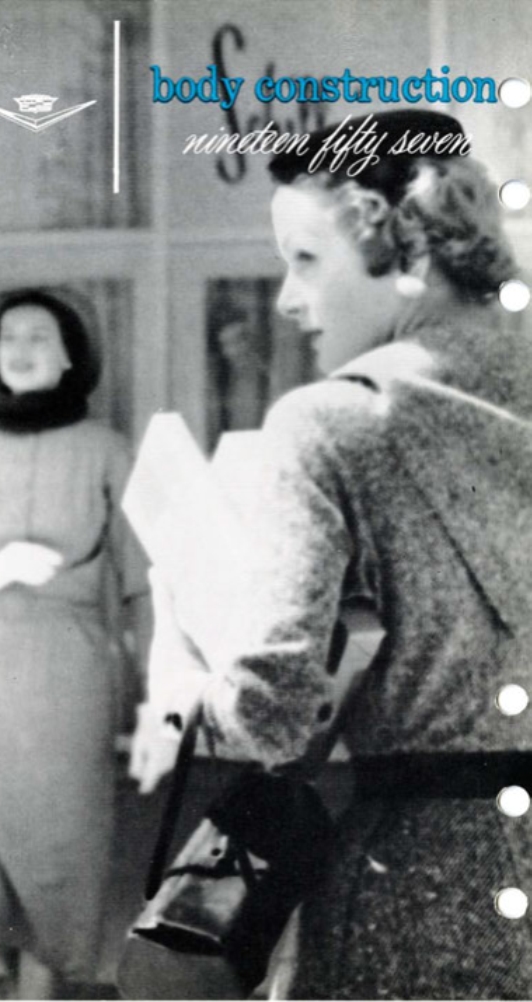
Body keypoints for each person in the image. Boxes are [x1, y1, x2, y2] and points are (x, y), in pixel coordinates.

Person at [130, 110, 532, 999]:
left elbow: (270, 715)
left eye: (307, 258)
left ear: (402, 248)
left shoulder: (331, 423)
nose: (287, 298)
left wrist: (183, 677)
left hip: (413, 896)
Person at [0, 288, 131, 999]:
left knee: (59, 858)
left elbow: (144, 581)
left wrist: (162, 695)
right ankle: (22, 986)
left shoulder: (108, 452)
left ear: (71, 356)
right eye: (9, 337)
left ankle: (38, 994)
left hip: (68, 676)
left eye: (39, 336)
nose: (20, 349)